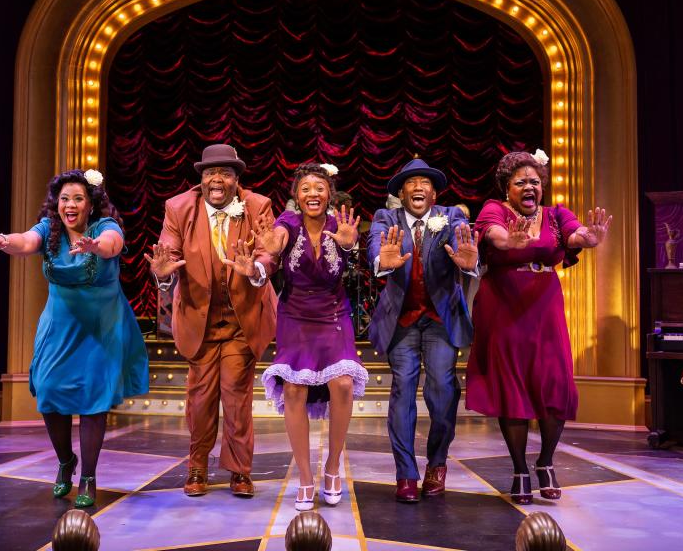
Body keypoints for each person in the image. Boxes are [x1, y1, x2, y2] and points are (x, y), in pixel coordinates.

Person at [0, 169, 148, 508]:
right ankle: (66, 461)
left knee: (93, 399)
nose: (70, 205)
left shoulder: (104, 228)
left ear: (91, 204)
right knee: (50, 392)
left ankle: (89, 477)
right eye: (65, 198)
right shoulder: (50, 229)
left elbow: (114, 246)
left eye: (78, 199)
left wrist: (96, 246)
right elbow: (26, 241)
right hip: (61, 324)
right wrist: (4, 241)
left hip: (100, 324)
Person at [466, 149, 611, 504]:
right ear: (507, 188)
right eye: (521, 182)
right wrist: (509, 241)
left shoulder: (555, 214)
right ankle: (519, 469)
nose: (529, 187)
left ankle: (546, 461)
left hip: (545, 305)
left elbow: (574, 235)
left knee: (554, 383)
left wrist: (588, 239)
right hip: (503, 304)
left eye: (534, 181)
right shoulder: (494, 209)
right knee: (512, 387)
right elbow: (495, 236)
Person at [233, 163, 368, 511]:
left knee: (341, 384)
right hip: (294, 315)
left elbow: (352, 253)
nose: (313, 193)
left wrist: (351, 248)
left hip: (334, 314)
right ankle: (305, 478)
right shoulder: (286, 224)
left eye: (319, 188)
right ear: (296, 196)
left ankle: (333, 467)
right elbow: (273, 249)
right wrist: (260, 263)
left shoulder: (341, 226)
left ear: (330, 194)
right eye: (305, 188)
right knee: (294, 388)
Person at [146, 144, 278, 498]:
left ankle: (239, 470)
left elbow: (269, 252)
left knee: (236, 396)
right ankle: (197, 466)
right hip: (199, 318)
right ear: (201, 180)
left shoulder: (258, 205)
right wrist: (162, 276)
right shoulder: (178, 208)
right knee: (201, 399)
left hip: (241, 318)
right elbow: (168, 253)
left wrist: (257, 269)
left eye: (225, 174)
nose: (216, 180)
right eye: (209, 174)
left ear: (236, 181)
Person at [367, 158, 479, 503]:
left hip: (440, 318)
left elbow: (467, 246)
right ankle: (405, 474)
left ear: (434, 192)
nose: (418, 187)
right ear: (401, 192)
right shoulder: (386, 218)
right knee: (403, 392)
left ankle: (437, 463)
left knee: (442, 390)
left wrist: (469, 264)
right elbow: (375, 244)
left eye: (425, 182)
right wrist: (380, 262)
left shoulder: (451, 217)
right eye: (411, 182)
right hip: (401, 319)